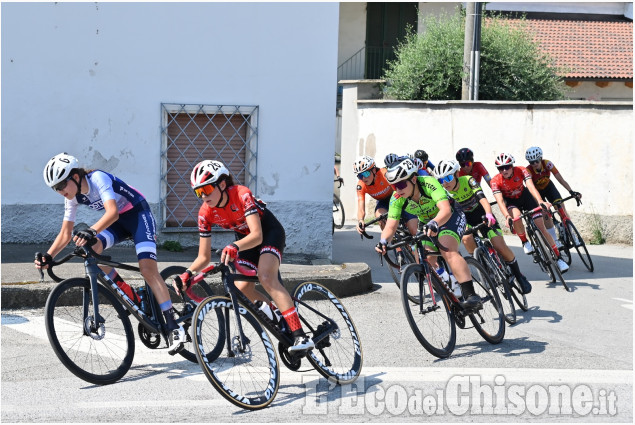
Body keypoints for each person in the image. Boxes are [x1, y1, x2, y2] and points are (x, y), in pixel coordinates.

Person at [36, 153, 186, 353]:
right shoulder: (72, 197)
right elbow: (65, 233)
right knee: (90, 250)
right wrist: (49, 256)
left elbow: (112, 212)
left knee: (147, 269)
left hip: (139, 216)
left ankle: (172, 324)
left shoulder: (98, 178)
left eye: (61, 185)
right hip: (118, 223)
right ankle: (130, 294)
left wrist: (92, 230)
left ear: (74, 176)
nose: (60, 191)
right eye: (55, 188)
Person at [175, 160, 314, 353]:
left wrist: (234, 246)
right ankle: (277, 314)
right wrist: (188, 273)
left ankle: (300, 336)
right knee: (242, 290)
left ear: (222, 184)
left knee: (266, 276)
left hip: (268, 233)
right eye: (198, 192)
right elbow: (203, 257)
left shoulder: (241, 194)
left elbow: (257, 235)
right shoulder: (205, 213)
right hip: (244, 241)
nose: (203, 196)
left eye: (206, 189)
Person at [374, 157, 482, 308]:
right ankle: (449, 290)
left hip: (450, 215)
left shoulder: (428, 183)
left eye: (401, 184)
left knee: (447, 250)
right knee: (424, 260)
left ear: (413, 179)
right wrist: (384, 241)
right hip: (426, 222)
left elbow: (444, 209)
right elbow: (391, 225)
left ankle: (471, 296)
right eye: (394, 186)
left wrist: (435, 223)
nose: (398, 190)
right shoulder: (397, 197)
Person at [433, 160, 532, 294]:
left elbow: (482, 198)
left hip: (482, 213)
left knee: (500, 246)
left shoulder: (468, 180)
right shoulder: (444, 192)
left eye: (448, 178)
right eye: (440, 180)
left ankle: (519, 276)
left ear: (456, 174)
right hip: (464, 218)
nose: (445, 183)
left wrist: (489, 214)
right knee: (467, 239)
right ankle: (484, 266)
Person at [490, 153, 569, 273]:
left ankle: (558, 258)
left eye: (507, 167)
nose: (504, 170)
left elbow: (531, 187)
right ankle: (525, 241)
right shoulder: (495, 181)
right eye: (501, 168)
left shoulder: (521, 170)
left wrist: (540, 201)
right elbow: (500, 201)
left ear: (512, 166)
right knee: (516, 217)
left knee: (542, 229)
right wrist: (507, 216)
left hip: (525, 197)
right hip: (512, 202)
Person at [525, 146, 582, 244]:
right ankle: (555, 240)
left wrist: (571, 191)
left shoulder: (547, 164)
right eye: (531, 162)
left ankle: (572, 235)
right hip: (537, 192)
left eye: (536, 161)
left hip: (549, 187)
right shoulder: (528, 171)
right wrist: (540, 201)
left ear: (541, 159)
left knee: (561, 209)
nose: (534, 164)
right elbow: (531, 187)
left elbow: (560, 178)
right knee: (545, 213)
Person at [354, 155, 418, 236]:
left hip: (398, 197)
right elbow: (360, 207)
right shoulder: (361, 185)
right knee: (379, 216)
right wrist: (360, 220)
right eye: (359, 176)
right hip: (383, 202)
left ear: (373, 170)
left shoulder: (384, 174)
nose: (363, 178)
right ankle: (393, 240)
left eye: (365, 173)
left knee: (414, 231)